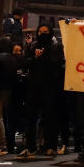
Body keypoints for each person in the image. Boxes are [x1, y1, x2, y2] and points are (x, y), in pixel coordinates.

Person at [20, 22, 63, 158]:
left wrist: (44, 57)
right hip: (34, 86)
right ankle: (30, 146)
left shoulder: (56, 46)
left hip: (50, 86)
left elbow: (58, 64)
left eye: (45, 32)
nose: (42, 34)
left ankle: (50, 145)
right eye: (40, 32)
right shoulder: (32, 45)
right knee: (31, 117)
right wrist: (35, 57)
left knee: (50, 117)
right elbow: (25, 63)